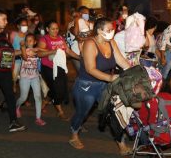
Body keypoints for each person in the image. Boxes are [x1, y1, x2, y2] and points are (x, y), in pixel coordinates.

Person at [69, 17, 131, 151]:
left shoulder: (111, 42)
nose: (112, 32)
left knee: (114, 112)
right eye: (108, 30)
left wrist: (133, 71)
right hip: (87, 86)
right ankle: (74, 133)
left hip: (104, 86)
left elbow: (121, 61)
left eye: (112, 29)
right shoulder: (90, 44)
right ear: (99, 30)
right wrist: (111, 77)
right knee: (82, 113)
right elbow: (90, 69)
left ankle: (121, 143)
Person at [37, 20, 79, 120]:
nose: (55, 31)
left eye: (57, 28)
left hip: (60, 67)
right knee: (57, 90)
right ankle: (60, 112)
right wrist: (53, 51)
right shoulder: (44, 39)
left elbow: (68, 50)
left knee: (62, 90)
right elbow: (39, 53)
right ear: (47, 29)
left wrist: (79, 57)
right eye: (53, 29)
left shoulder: (60, 38)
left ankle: (46, 100)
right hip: (48, 68)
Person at [16, 33, 46, 126]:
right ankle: (16, 107)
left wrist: (54, 50)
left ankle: (38, 118)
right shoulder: (23, 50)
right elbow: (25, 57)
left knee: (38, 96)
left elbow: (44, 51)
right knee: (23, 97)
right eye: (27, 40)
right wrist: (22, 47)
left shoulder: (36, 50)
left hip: (35, 77)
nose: (29, 42)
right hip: (25, 77)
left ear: (35, 42)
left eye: (31, 40)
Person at [10, 17, 29, 94]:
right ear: (18, 26)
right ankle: (14, 85)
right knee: (14, 77)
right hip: (16, 60)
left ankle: (25, 96)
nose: (25, 27)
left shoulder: (27, 36)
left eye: (26, 25)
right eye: (23, 25)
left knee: (25, 79)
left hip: (24, 59)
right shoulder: (13, 35)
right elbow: (10, 46)